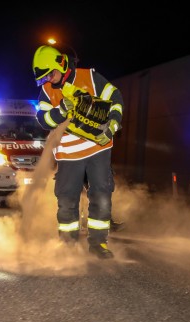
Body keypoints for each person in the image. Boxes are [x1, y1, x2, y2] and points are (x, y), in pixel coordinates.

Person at [32, 45, 123, 259]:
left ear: (60, 64)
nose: (48, 80)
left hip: (98, 148)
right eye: (44, 78)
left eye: (50, 74)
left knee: (101, 195)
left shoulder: (90, 77)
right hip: (68, 153)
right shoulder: (46, 91)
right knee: (67, 200)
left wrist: (113, 124)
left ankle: (98, 244)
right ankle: (67, 246)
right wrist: (61, 109)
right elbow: (43, 119)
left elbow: (115, 97)